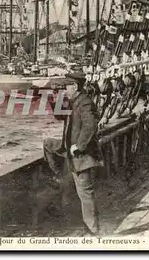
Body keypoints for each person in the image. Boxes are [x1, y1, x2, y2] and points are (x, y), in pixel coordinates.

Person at [43, 71, 104, 236]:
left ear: (75, 86)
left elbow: (91, 125)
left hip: (82, 157)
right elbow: (60, 115)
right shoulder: (74, 102)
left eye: (66, 86)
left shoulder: (84, 103)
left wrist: (79, 145)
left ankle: (94, 232)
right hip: (71, 153)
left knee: (85, 195)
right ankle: (58, 175)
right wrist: (51, 97)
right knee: (47, 144)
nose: (65, 90)